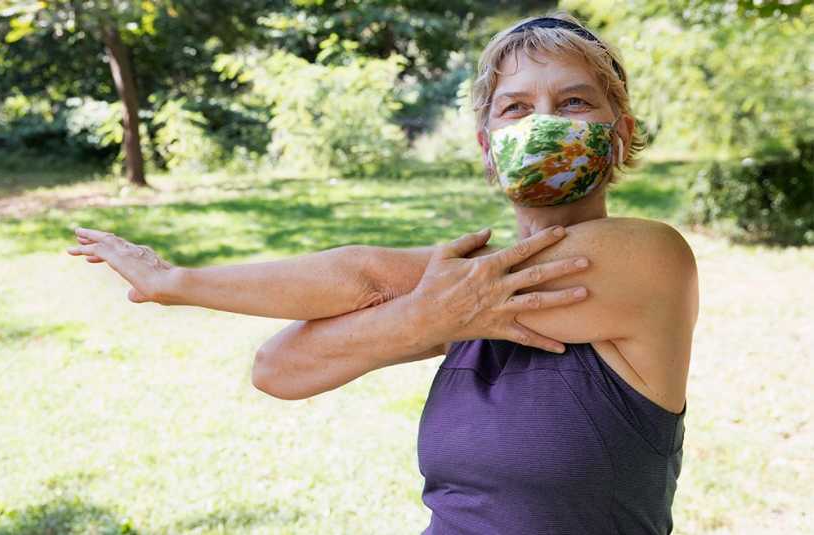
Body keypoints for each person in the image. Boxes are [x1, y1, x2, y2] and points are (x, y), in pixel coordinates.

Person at [66, 12, 699, 534]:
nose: (543, 122)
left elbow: (368, 275)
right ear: (486, 144)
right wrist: (424, 320)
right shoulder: (461, 298)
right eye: (515, 108)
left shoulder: (649, 258)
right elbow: (278, 369)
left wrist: (178, 283)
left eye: (574, 102)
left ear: (619, 136)